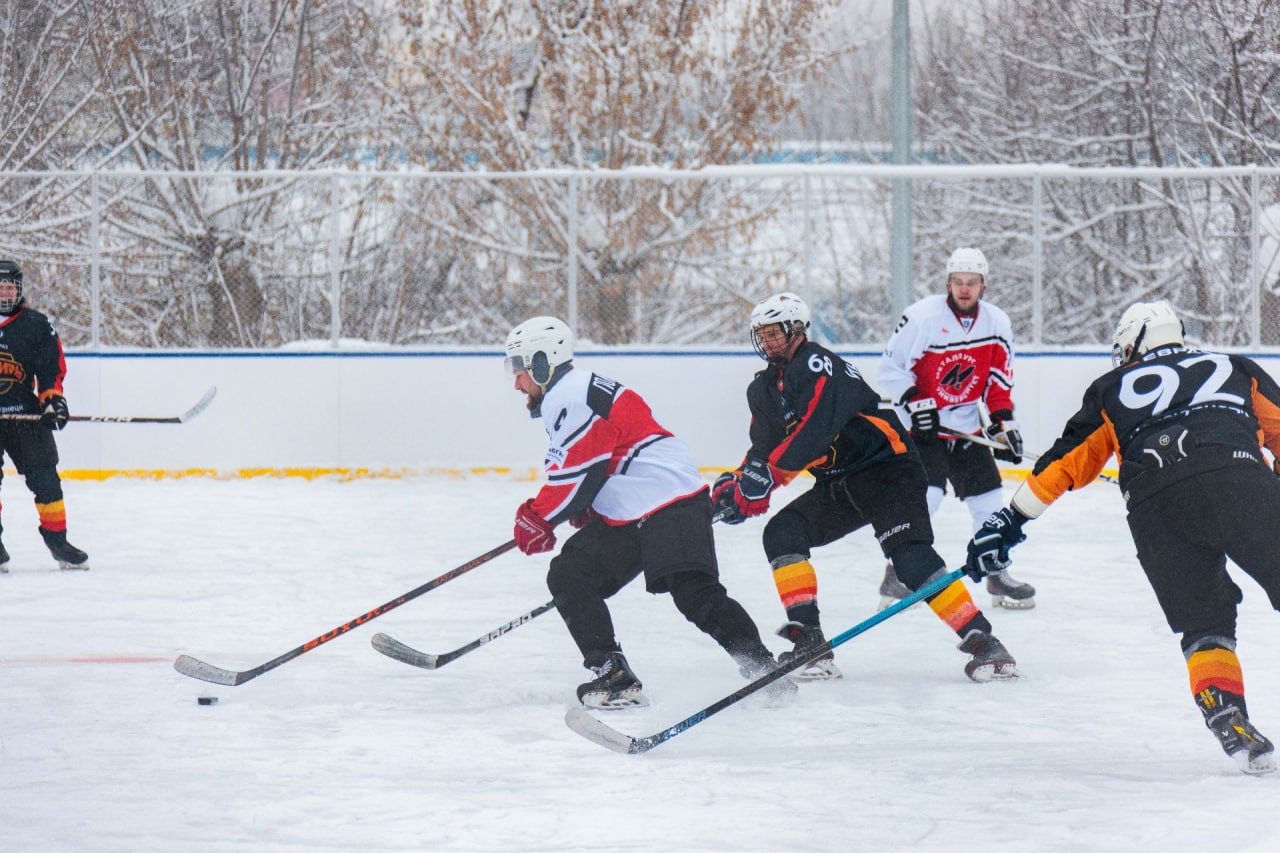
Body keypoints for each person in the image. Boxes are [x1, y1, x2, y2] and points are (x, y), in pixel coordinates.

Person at [965, 300, 1278, 775]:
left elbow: (1063, 463)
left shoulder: (1111, 386)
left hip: (1155, 505)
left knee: (1205, 624)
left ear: (1136, 343)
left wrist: (1008, 522)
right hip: (1238, 479)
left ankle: (1225, 710)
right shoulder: (1234, 366)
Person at [711, 292, 1019, 682]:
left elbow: (814, 432)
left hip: (888, 470)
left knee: (910, 558)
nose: (768, 342)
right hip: (840, 483)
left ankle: (983, 642)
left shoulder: (819, 364)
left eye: (775, 333)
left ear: (798, 330)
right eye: (762, 335)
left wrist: (766, 479)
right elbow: (763, 448)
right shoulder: (763, 390)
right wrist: (740, 483)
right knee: (782, 532)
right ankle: (811, 643)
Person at [504, 315, 793, 709]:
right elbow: (599, 464)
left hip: (670, 503)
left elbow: (574, 475)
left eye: (519, 370)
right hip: (638, 509)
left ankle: (763, 670)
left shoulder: (569, 395)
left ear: (543, 363)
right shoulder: (577, 390)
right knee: (571, 573)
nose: (517, 382)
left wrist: (537, 517)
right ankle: (613, 673)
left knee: (696, 594)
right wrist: (587, 505)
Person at [877, 247, 1035, 610]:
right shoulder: (921, 318)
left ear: (983, 286)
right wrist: (915, 400)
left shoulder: (997, 322)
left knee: (990, 502)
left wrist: (1003, 424)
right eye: (958, 282)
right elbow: (889, 368)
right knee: (926, 499)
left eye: (972, 283)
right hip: (923, 430)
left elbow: (998, 381)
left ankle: (996, 572)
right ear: (948, 284)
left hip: (966, 429)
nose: (965, 289)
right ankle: (897, 574)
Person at [0, 260, 88, 572]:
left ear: (19, 289)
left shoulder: (36, 325)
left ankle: (57, 541)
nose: (5, 293)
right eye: (0, 287)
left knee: (46, 480)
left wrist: (52, 401)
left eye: (9, 287)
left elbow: (51, 369)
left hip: (26, 417)